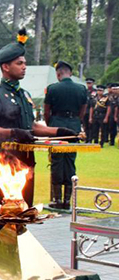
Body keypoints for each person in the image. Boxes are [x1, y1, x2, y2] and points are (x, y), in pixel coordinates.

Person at [0, 29, 75, 231]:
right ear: (5, 67)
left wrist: (59, 131)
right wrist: (13, 133)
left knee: (24, 212)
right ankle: (3, 256)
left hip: (27, 159)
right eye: (19, 63)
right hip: (6, 160)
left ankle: (21, 254)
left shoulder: (24, 94)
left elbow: (31, 127)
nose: (25, 67)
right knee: (7, 214)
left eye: (24, 63)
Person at [44, 61, 87, 209]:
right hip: (73, 126)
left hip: (56, 126)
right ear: (71, 73)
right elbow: (83, 110)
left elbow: (46, 111)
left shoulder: (52, 88)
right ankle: (68, 200)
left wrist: (50, 126)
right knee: (70, 161)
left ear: (58, 74)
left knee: (57, 161)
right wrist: (75, 122)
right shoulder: (81, 89)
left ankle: (57, 199)